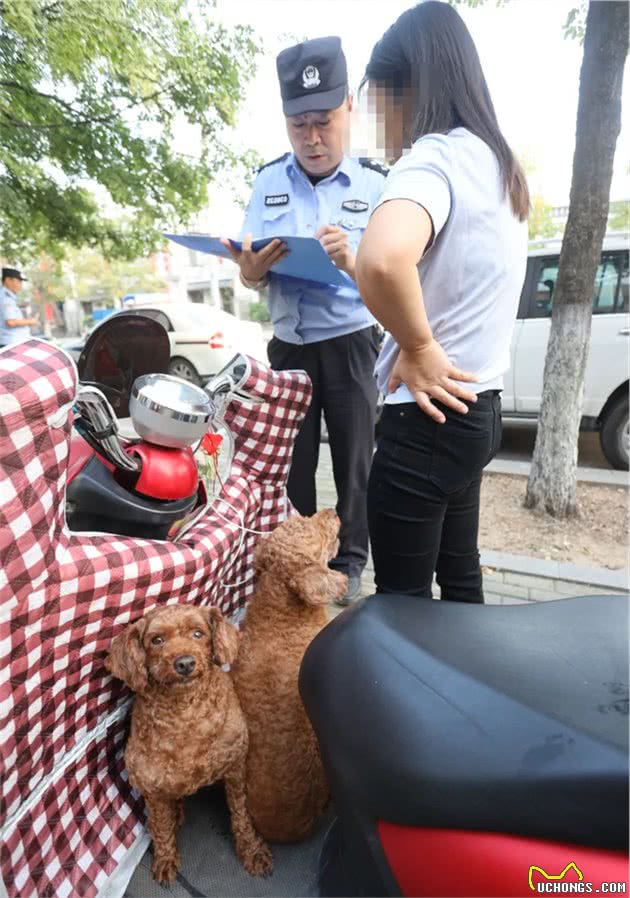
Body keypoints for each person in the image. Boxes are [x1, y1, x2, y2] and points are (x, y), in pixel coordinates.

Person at [355, 1, 530, 602]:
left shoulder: (434, 157)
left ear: (407, 85)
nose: (380, 119)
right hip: (477, 409)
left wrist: (419, 345)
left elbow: (381, 259)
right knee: (461, 582)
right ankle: (473, 696)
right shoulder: (497, 164)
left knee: (400, 609)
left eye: (379, 99)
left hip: (426, 417)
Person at [223, 37, 387, 605]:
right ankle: (296, 563)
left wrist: (353, 259)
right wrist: (248, 271)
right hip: (289, 346)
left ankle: (350, 562)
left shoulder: (378, 184)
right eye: (298, 126)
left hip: (351, 343)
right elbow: (252, 270)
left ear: (348, 110)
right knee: (288, 467)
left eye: (323, 122)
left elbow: (398, 274)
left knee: (354, 464)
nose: (312, 139)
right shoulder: (268, 180)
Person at [0, 268, 37, 348]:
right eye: (19, 281)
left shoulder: (6, 296)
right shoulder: (6, 298)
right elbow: (11, 322)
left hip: (11, 343)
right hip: (11, 343)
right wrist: (31, 321)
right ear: (8, 280)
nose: (20, 285)